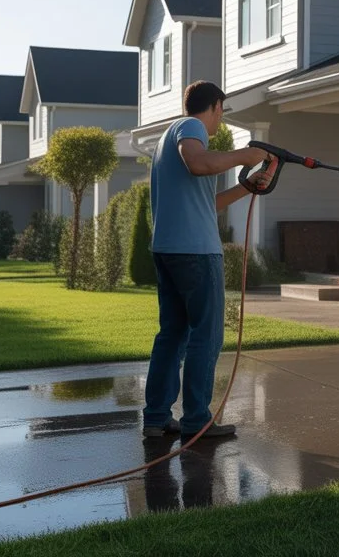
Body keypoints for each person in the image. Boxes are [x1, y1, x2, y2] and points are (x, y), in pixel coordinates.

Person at [141, 81, 278, 439]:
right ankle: (197, 421)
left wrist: (246, 187)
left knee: (172, 334)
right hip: (196, 252)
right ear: (216, 106)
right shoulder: (191, 128)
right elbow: (200, 164)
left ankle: (156, 419)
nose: (220, 120)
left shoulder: (166, 140)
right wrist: (244, 157)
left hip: (168, 249)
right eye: (222, 111)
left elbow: (207, 203)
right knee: (207, 336)